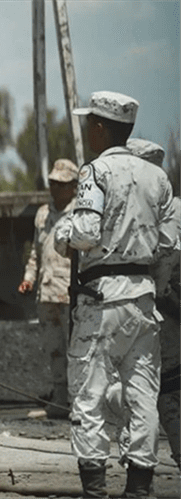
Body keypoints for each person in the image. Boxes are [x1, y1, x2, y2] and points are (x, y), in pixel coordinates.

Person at [53, 91, 177, 499]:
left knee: (89, 395)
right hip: (143, 301)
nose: (88, 129)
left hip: (102, 298)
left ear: (102, 127)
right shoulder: (158, 178)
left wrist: (63, 234)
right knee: (143, 396)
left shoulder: (96, 172)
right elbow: (165, 246)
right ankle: (139, 488)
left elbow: (86, 233)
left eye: (90, 122)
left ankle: (95, 489)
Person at [120, 139, 180, 473]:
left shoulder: (140, 211)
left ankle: (137, 472)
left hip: (156, 317)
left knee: (150, 392)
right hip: (161, 316)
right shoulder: (172, 207)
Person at [18, 158, 78, 419]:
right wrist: (29, 278)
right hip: (47, 292)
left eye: (61, 184)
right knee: (54, 349)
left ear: (74, 186)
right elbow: (36, 253)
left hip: (70, 293)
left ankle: (79, 403)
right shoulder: (43, 214)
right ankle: (60, 399)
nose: (55, 188)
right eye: (52, 183)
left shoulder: (81, 214)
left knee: (75, 350)